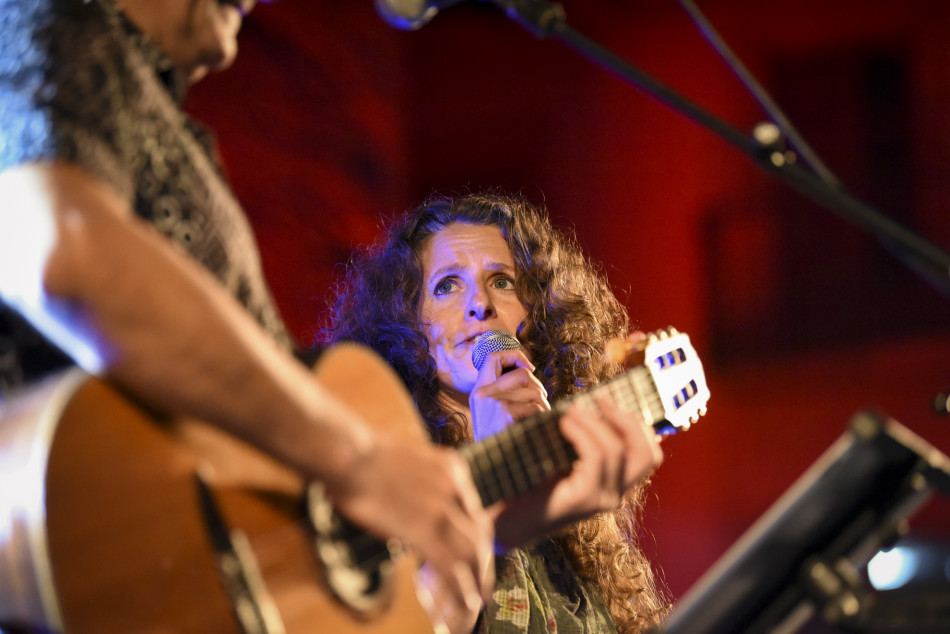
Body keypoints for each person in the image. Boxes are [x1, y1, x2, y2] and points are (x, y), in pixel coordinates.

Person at [0, 0, 495, 624]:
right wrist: (359, 458)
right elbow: (60, 248)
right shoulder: (55, 24)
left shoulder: (157, 112)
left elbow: (264, 525)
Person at [325, 190, 671, 633]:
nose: (480, 303)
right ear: (408, 319)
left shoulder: (573, 518)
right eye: (447, 285)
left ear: (539, 314)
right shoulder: (382, 476)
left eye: (502, 281)